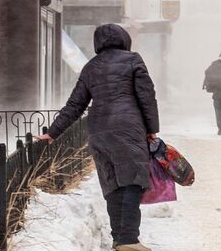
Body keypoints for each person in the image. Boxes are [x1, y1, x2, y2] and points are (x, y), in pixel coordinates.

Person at [35, 24, 158, 251]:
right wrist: (152, 128)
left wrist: (53, 132)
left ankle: (119, 238)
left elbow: (76, 104)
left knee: (112, 183)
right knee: (132, 181)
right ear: (124, 40)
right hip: (127, 128)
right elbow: (147, 96)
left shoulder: (91, 67)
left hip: (98, 131)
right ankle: (129, 239)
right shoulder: (133, 60)